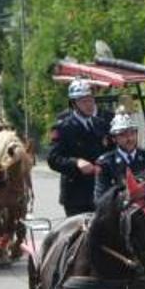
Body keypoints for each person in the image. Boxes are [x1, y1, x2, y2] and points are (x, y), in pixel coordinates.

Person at [47, 79, 113, 215]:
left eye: (91, 100)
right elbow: (53, 159)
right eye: (84, 101)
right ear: (74, 104)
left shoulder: (102, 124)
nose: (89, 105)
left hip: (102, 191)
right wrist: (76, 163)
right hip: (77, 196)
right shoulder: (63, 127)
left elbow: (112, 152)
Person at [93, 112, 145, 202]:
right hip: (123, 209)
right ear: (114, 139)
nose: (129, 138)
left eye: (132, 133)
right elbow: (101, 198)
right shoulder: (105, 163)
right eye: (123, 135)